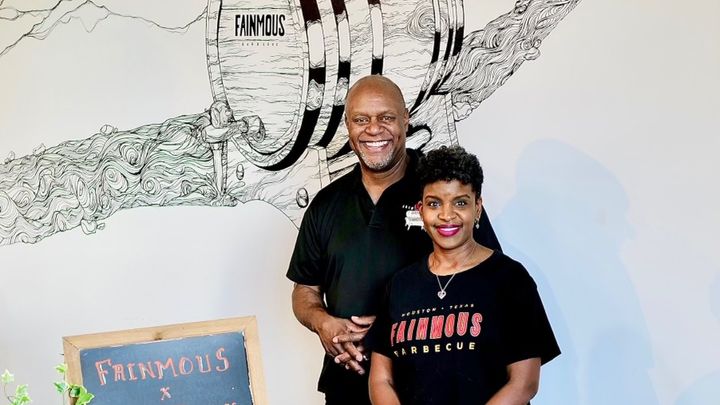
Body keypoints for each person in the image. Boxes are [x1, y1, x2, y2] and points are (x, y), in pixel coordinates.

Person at [286, 75, 501, 405]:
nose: (374, 129)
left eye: (386, 117)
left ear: (406, 119)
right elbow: (305, 289)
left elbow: (489, 282)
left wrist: (397, 326)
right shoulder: (326, 204)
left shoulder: (442, 192)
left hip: (432, 383)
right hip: (348, 384)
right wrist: (323, 322)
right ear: (348, 125)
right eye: (361, 119)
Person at [368, 146, 560, 405]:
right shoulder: (400, 285)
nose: (447, 215)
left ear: (477, 207)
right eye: (434, 203)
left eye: (460, 202)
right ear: (420, 210)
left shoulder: (510, 279)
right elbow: (381, 379)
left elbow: (524, 383)